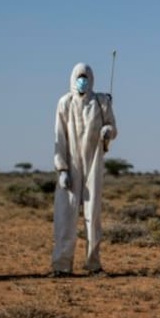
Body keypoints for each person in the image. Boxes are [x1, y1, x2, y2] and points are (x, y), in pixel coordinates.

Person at [51, 63, 117, 277]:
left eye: (86, 77)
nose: (83, 80)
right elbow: (59, 138)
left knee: (93, 215)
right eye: (79, 77)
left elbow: (113, 127)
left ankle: (93, 263)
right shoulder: (65, 103)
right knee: (65, 215)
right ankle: (62, 265)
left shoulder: (101, 101)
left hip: (94, 164)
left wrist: (108, 131)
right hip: (70, 164)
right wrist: (61, 168)